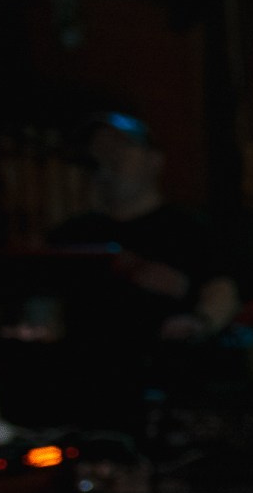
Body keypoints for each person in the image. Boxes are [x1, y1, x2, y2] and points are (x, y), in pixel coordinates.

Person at [48, 113, 239, 344]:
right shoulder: (72, 234)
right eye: (100, 147)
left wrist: (199, 320)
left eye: (122, 145)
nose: (110, 156)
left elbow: (222, 289)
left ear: (154, 160)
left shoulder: (190, 231)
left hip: (164, 367)